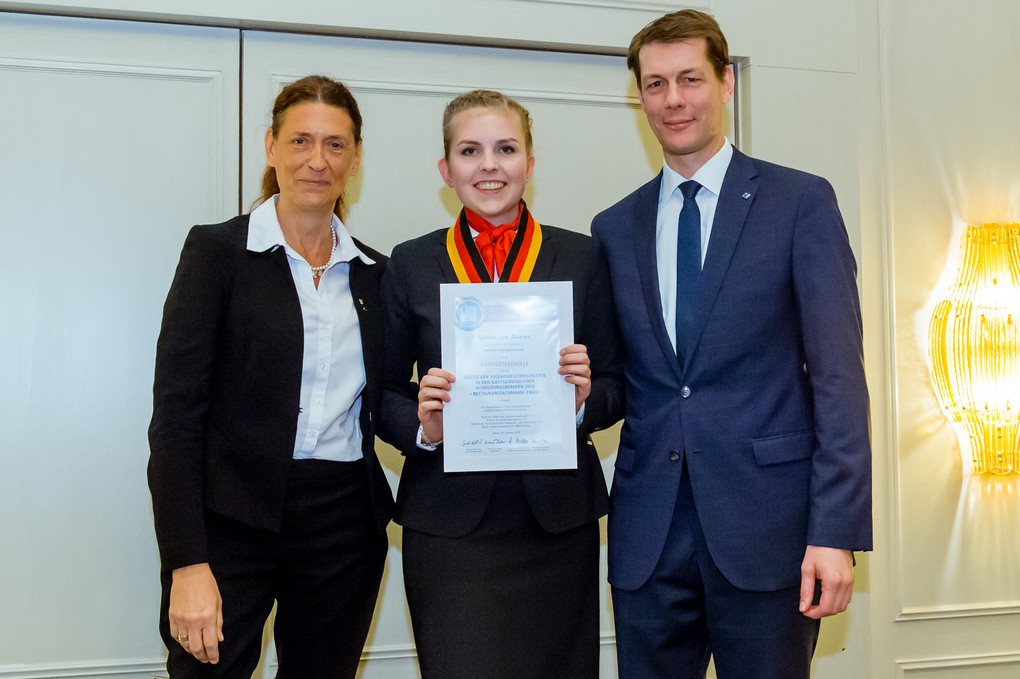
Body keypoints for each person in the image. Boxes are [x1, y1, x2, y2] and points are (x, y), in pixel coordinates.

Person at [590, 10, 872, 679]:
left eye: (690, 78)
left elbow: (838, 378)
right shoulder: (614, 227)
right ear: (640, 97)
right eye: (655, 84)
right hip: (648, 540)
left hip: (770, 533)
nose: (674, 99)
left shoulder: (800, 202)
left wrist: (834, 532)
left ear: (725, 83)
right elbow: (617, 381)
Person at [147, 75, 392, 678]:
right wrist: (186, 562)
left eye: (335, 144)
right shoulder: (217, 254)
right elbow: (176, 419)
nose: (317, 160)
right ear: (271, 146)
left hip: (343, 524)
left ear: (356, 157)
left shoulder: (376, 274)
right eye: (301, 140)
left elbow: (390, 398)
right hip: (230, 522)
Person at [378, 89, 623, 679]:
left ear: (530, 164)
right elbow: (381, 394)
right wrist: (425, 427)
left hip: (556, 524)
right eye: (470, 151)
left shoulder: (583, 257)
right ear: (446, 170)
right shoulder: (410, 262)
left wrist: (580, 404)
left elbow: (620, 383)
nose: (489, 165)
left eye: (506, 149)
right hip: (448, 526)